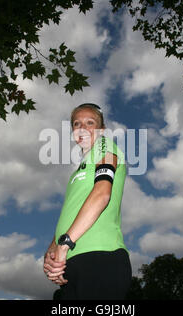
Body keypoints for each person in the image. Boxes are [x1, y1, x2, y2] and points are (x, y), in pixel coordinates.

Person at [43, 103, 131, 300]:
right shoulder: (77, 172)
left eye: (90, 122)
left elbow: (102, 195)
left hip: (100, 256)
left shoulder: (105, 145)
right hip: (72, 261)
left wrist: (64, 244)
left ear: (102, 130)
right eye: (76, 124)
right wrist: (52, 251)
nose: (82, 128)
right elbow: (73, 212)